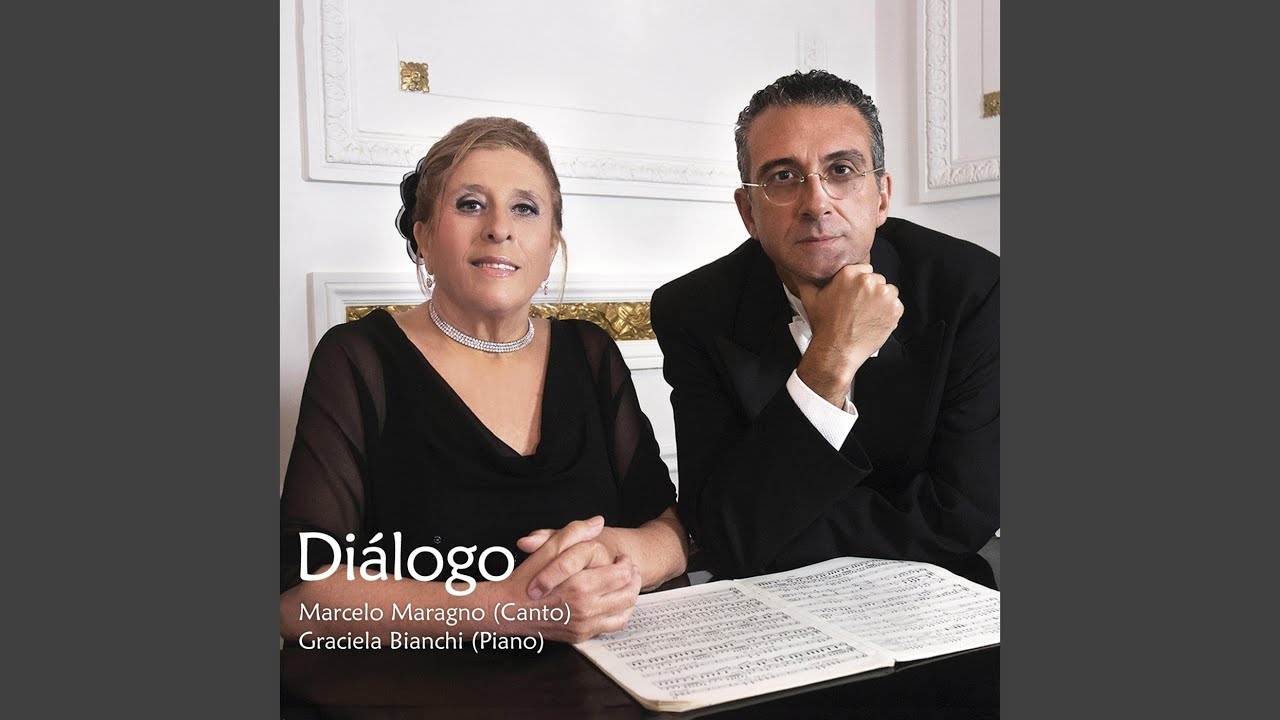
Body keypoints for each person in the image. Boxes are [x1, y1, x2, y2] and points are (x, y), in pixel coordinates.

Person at [280, 117, 688, 646]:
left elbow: (671, 534)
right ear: (424, 237)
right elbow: (297, 598)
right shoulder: (358, 358)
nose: (499, 228)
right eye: (470, 204)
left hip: (603, 678)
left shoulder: (591, 353)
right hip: (421, 682)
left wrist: (612, 551)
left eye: (525, 208)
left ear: (551, 246)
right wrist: (503, 609)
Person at [650, 70, 999, 585]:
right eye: (782, 177)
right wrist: (830, 359)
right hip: (765, 601)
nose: (816, 203)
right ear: (749, 213)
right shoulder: (693, 310)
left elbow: (962, 514)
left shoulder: (974, 288)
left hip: (939, 591)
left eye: (841, 170)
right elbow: (716, 522)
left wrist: (769, 530)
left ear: (881, 197)